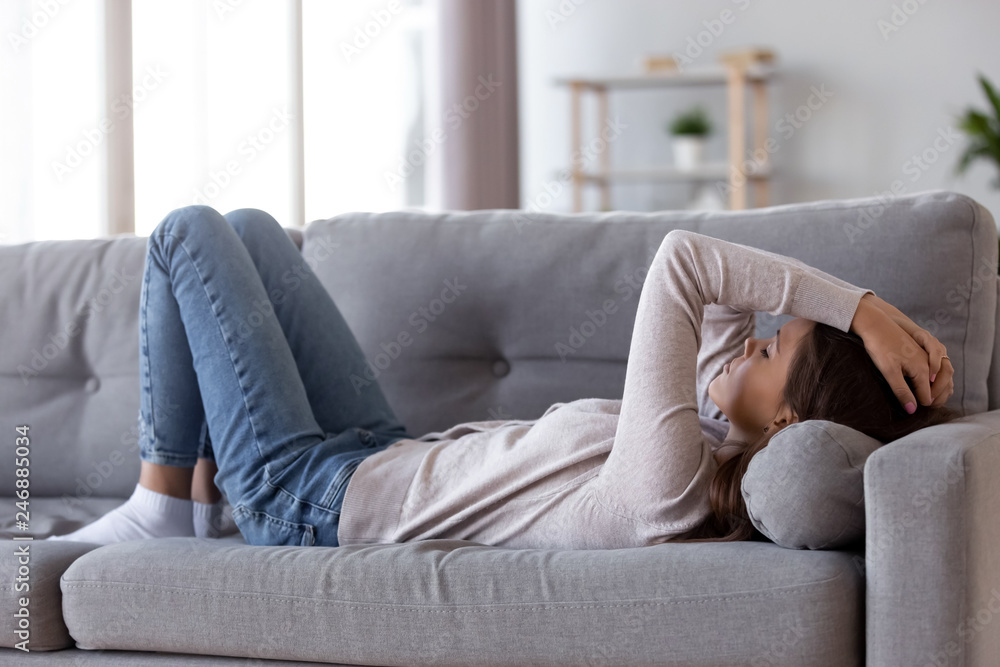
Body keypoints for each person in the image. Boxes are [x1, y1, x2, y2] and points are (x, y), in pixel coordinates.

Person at [46, 209, 958, 549]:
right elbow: (726, 303)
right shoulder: (717, 435)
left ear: (787, 421)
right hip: (378, 452)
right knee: (250, 227)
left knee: (187, 234)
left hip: (308, 502)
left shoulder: (670, 484)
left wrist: (862, 306)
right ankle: (200, 495)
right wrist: (850, 324)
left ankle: (162, 505)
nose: (748, 343)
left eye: (767, 352)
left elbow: (686, 263)